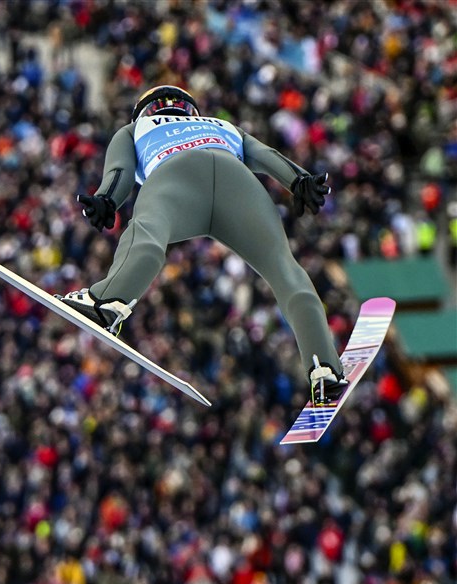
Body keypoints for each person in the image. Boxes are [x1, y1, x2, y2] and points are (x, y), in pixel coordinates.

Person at [57, 85, 346, 403]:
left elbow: (120, 171)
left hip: (175, 173)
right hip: (238, 183)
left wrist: (106, 199)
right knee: (283, 268)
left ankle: (107, 302)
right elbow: (267, 156)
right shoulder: (222, 125)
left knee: (149, 236)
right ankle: (324, 366)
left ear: (144, 111)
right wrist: (300, 180)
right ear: (191, 109)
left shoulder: (134, 129)